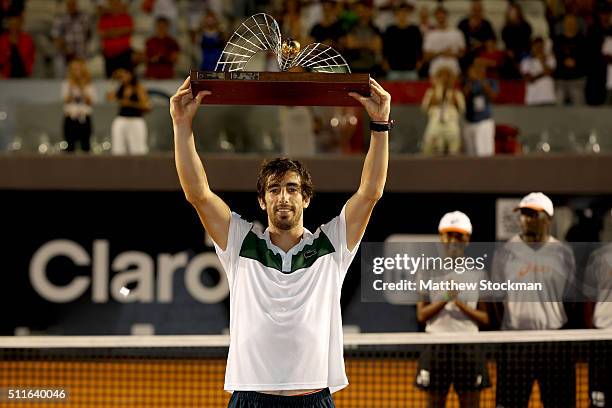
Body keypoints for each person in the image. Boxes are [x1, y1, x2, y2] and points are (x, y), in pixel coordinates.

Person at [170, 75, 390, 407]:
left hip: (313, 396)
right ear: (262, 201)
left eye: (291, 188)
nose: (282, 197)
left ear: (306, 198)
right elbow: (198, 194)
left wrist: (380, 126)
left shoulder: (331, 246)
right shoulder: (240, 243)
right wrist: (181, 125)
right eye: (273, 190)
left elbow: (370, 192)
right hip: (251, 396)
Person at [492, 192, 577, 408]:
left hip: (554, 345)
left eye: (533, 214)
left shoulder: (563, 252)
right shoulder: (505, 252)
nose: (527, 219)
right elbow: (496, 298)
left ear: (548, 218)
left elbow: (571, 298)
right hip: (515, 345)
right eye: (524, 214)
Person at [416, 211, 490, 408]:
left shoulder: (478, 273)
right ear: (441, 237)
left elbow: (485, 318)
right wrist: (446, 298)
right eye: (449, 235)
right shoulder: (426, 271)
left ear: (467, 239)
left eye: (459, 235)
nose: (453, 240)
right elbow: (421, 315)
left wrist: (459, 304)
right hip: (436, 346)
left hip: (469, 348)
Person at [584, 243, 612, 408]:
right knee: (599, 400)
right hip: (603, 339)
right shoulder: (599, 256)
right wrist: (591, 334)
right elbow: (588, 298)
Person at [421, 63, 465, 155]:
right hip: (435, 123)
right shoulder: (431, 92)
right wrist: (438, 90)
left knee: (454, 148)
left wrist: (451, 94)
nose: (444, 79)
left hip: (451, 123)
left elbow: (462, 109)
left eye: (447, 76)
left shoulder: (456, 93)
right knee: (428, 146)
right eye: (441, 76)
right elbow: (425, 108)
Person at [107, 68, 151, 155]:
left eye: (125, 74)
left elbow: (147, 106)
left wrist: (130, 103)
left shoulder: (138, 88)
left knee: (138, 149)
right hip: (121, 119)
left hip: (135, 120)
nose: (123, 77)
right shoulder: (120, 87)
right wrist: (113, 80)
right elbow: (109, 97)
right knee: (118, 149)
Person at [462, 58, 498, 156]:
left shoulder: (491, 82)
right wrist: (470, 81)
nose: (478, 70)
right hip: (469, 121)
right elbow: (463, 98)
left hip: (484, 121)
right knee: (470, 154)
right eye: (476, 67)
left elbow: (493, 96)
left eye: (481, 67)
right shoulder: (467, 82)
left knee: (485, 154)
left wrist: (481, 80)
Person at [51, 0, 91, 78]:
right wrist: (65, 49)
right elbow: (55, 37)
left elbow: (89, 34)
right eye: (69, 4)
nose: (72, 6)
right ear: (66, 5)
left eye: (74, 4)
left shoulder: (84, 17)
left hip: (81, 55)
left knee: (82, 76)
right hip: (65, 55)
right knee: (59, 65)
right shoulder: (60, 18)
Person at [62, 58, 96, 152]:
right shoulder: (67, 83)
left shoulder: (89, 84)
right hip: (71, 117)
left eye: (78, 69)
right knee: (69, 147)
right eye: (74, 69)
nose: (76, 72)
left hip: (84, 118)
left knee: (86, 146)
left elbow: (90, 102)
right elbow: (66, 100)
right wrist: (71, 86)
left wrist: (82, 88)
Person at [553, 14, 587, 105]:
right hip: (560, 79)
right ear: (563, 24)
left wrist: (576, 62)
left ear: (576, 24)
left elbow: (586, 59)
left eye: (572, 23)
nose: (570, 25)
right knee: (557, 108)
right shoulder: (558, 40)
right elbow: (555, 56)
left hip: (577, 79)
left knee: (580, 109)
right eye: (568, 23)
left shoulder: (583, 40)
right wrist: (564, 61)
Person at [383, 3, 422, 80]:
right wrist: (385, 62)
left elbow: (419, 47)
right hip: (393, 69)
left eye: (404, 12)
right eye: (400, 13)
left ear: (408, 14)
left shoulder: (414, 30)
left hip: (411, 69)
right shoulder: (390, 30)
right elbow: (385, 48)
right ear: (396, 14)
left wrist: (420, 61)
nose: (402, 15)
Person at [422, 6, 465, 78]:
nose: (441, 18)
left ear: (447, 16)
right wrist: (441, 53)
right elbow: (426, 56)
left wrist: (453, 54)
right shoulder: (430, 35)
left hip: (453, 68)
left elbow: (462, 53)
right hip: (436, 69)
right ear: (435, 17)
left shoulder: (457, 33)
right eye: (439, 16)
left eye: (443, 16)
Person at [97, 0, 134, 78]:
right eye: (112, 4)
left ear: (120, 5)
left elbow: (128, 29)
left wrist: (110, 33)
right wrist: (120, 32)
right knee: (110, 80)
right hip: (109, 54)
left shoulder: (126, 17)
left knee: (127, 78)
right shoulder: (104, 18)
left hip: (124, 53)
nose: (115, 6)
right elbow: (101, 33)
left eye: (117, 4)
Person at [457, 0, 495, 67]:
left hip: (482, 53)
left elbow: (491, 42)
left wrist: (481, 44)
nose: (476, 12)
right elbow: (457, 41)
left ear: (481, 10)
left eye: (478, 9)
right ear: (470, 10)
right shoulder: (462, 23)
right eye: (474, 9)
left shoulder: (486, 24)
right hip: (466, 54)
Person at [520, 37, 557, 105]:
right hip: (532, 99)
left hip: (548, 98)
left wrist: (542, 61)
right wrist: (544, 74)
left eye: (541, 46)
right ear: (532, 47)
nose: (538, 49)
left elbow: (549, 72)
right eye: (536, 46)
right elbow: (529, 79)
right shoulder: (526, 61)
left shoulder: (550, 59)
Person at [0, 11, 35, 78]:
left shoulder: (27, 40)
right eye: (11, 24)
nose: (14, 27)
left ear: (20, 24)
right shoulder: (2, 40)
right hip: (5, 77)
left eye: (16, 24)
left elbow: (29, 61)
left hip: (24, 76)